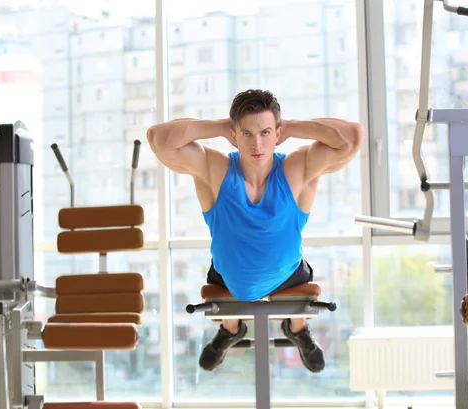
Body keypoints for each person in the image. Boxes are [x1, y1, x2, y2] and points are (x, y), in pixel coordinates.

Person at [146, 89, 365, 373]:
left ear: (277, 133)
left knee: (293, 284)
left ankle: (297, 328)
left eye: (265, 132)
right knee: (230, 278)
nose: (257, 143)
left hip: (288, 274)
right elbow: (158, 139)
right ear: (234, 135)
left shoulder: (297, 168)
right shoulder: (216, 169)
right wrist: (218, 127)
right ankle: (231, 329)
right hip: (229, 275)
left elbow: (353, 137)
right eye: (247, 134)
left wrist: (291, 127)